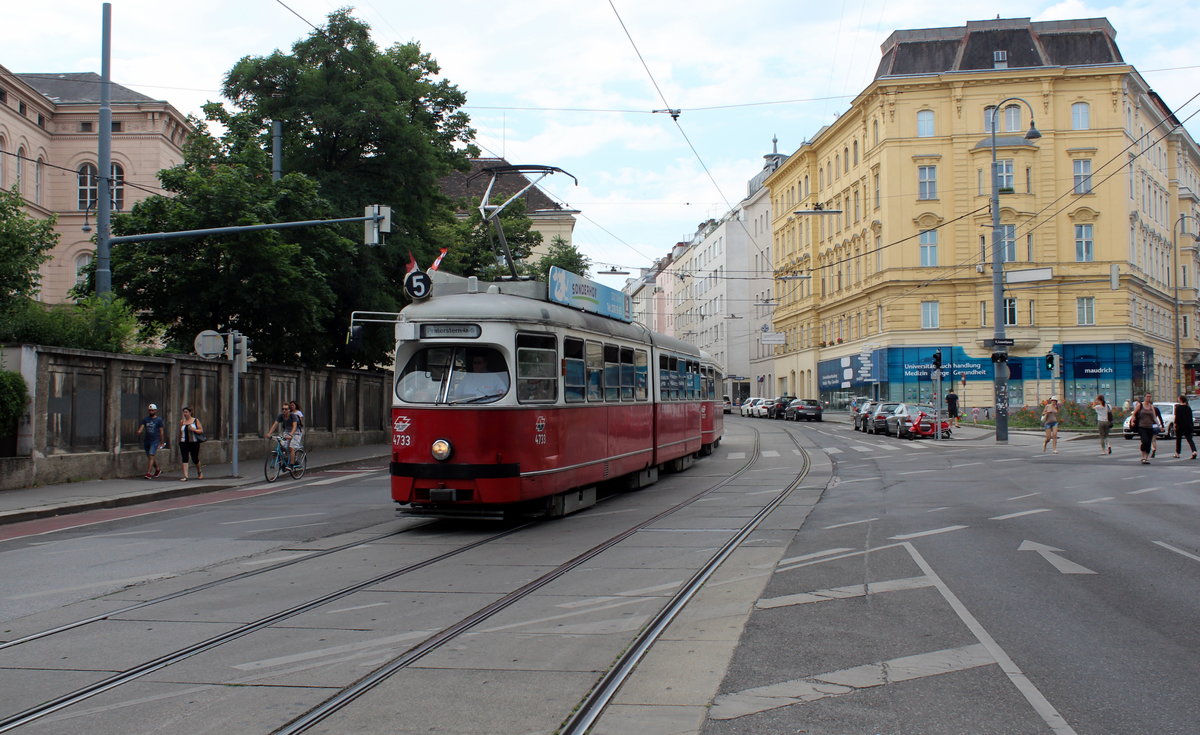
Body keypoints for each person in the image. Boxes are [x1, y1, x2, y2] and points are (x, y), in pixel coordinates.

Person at [1131, 393, 1164, 464]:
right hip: (1142, 427)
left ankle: (1146, 458)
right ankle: (1143, 456)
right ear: (1144, 397)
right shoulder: (1140, 405)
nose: (1148, 398)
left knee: (1149, 443)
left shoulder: (1151, 407)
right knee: (1144, 441)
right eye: (1147, 397)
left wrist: (1159, 425)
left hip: (1149, 427)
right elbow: (1134, 414)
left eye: (1150, 397)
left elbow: (1154, 417)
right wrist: (1132, 421)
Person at [135, 403, 166, 478]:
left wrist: (161, 442)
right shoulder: (146, 419)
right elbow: (141, 427)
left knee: (151, 455)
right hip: (147, 440)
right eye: (150, 410)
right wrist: (139, 431)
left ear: (155, 411)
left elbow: (161, 431)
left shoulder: (159, 420)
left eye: (152, 410)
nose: (151, 412)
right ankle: (158, 469)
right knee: (150, 457)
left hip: (155, 440)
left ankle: (148, 473)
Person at [178, 406, 204, 481]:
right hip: (184, 442)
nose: (184, 414)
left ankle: (199, 472)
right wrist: (179, 441)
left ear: (190, 412)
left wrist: (194, 429)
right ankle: (185, 476)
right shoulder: (182, 422)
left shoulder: (195, 420)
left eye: (186, 412)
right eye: (184, 412)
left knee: (195, 458)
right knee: (185, 458)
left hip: (194, 442)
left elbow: (201, 430)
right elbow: (180, 432)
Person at [1173, 394, 1196, 459]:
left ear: (1180, 400)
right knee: (1189, 439)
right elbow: (1190, 418)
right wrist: (1191, 426)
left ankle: (1177, 453)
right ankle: (1194, 451)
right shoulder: (1188, 408)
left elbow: (1177, 418)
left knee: (1178, 440)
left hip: (1180, 426)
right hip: (1188, 426)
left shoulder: (1178, 408)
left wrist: (1175, 424)